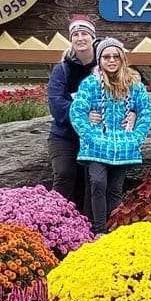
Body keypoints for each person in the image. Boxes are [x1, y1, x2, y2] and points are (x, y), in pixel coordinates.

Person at [69, 38, 151, 235]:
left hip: (124, 145)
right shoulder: (90, 84)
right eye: (107, 57)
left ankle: (113, 231)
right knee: (97, 182)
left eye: (116, 56)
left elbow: (146, 113)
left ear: (122, 59)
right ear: (100, 60)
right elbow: (77, 112)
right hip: (96, 144)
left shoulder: (135, 85)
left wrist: (136, 137)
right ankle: (99, 231)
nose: (112, 60)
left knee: (115, 189)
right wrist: (89, 136)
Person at [46, 15, 98, 214]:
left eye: (84, 33)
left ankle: (91, 227)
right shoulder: (62, 69)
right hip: (64, 136)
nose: (80, 38)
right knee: (65, 173)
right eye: (75, 34)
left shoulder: (105, 66)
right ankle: (54, 219)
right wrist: (84, 117)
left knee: (94, 179)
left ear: (92, 37)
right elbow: (57, 105)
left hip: (96, 137)